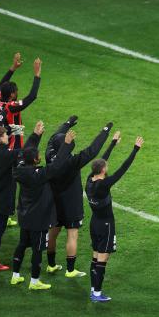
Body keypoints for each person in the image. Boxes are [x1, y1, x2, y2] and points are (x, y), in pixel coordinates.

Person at [44, 117, 113, 278]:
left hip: (54, 200)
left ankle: (51, 265)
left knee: (53, 232)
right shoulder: (71, 162)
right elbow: (93, 150)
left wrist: (67, 124)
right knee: (72, 234)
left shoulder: (50, 154)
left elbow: (54, 137)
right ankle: (70, 270)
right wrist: (105, 132)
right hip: (71, 202)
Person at [11, 126, 74, 290]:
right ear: (35, 161)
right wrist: (66, 145)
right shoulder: (38, 175)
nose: (40, 156)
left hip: (24, 215)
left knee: (22, 244)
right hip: (38, 218)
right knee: (38, 250)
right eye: (38, 156)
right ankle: (34, 281)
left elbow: (23, 152)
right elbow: (57, 164)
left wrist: (35, 136)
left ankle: (15, 275)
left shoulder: (18, 169)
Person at [0, 121, 45, 270]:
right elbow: (24, 152)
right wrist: (36, 135)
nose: (7, 136)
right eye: (5, 135)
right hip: (0, 196)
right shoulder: (3, 154)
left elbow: (18, 152)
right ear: (0, 139)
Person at [86, 133, 143, 302]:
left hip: (94, 223)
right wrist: (135, 150)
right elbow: (123, 169)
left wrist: (112, 144)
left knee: (95, 256)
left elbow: (101, 160)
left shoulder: (90, 180)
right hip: (105, 225)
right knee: (103, 259)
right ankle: (97, 293)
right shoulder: (104, 185)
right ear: (103, 170)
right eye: (106, 166)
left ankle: (92, 288)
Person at [0, 53, 42, 227]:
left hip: (3, 142)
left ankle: (5, 214)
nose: (17, 92)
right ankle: (8, 214)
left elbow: (0, 84)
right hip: (13, 144)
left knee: (6, 179)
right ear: (12, 95)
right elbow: (32, 97)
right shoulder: (11, 107)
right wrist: (36, 74)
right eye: (15, 91)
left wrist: (13, 68)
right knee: (15, 179)